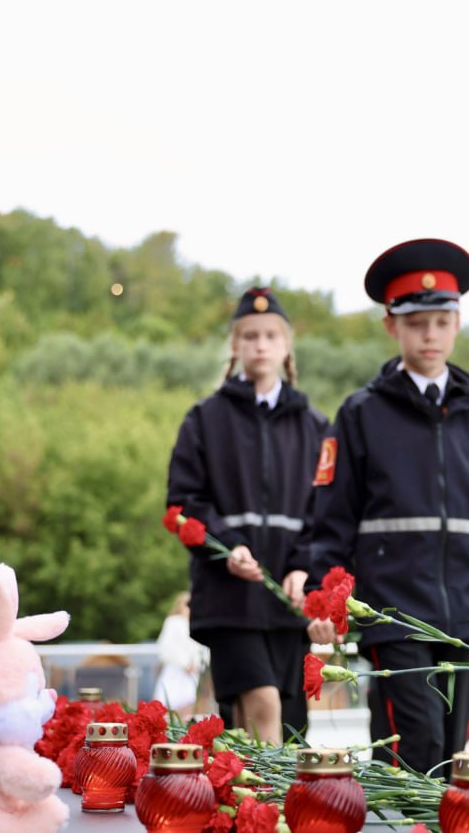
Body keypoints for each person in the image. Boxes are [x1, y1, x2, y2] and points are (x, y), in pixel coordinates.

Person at [305, 239, 469, 776]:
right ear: (391, 326)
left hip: (467, 617)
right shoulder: (360, 414)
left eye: (441, 322)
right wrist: (322, 599)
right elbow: (332, 519)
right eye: (417, 323)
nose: (430, 335)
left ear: (457, 323)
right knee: (414, 744)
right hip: (393, 615)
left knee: (453, 756)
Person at [166, 287, 328, 744]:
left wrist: (303, 567)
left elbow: (327, 511)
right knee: (262, 705)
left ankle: (260, 794)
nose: (261, 345)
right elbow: (183, 503)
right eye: (250, 336)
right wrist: (228, 547)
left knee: (289, 728)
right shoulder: (205, 419)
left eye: (271, 335)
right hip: (230, 599)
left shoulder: (316, 427)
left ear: (287, 345)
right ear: (235, 345)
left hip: (288, 602)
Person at [151, 591, 210, 720]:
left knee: (189, 708)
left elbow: (204, 649)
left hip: (192, 674)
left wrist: (197, 664)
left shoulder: (198, 624)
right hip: (175, 672)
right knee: (168, 706)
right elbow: (166, 649)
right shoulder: (173, 622)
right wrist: (184, 664)